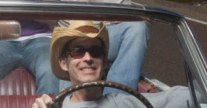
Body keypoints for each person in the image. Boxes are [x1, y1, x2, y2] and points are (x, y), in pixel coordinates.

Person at [32, 21, 193, 107]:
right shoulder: (53, 106)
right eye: (78, 52)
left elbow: (187, 94)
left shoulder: (123, 102)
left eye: (95, 52)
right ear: (63, 64)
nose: (88, 58)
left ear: (103, 63)